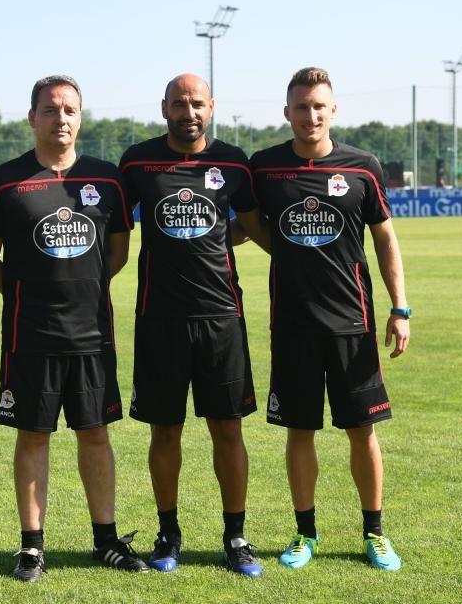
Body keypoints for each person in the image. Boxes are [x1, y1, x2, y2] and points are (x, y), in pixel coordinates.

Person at [0, 75, 147, 582]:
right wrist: (32, 292)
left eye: (70, 110)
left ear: (81, 117)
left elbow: (117, 252)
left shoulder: (107, 180)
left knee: (96, 435)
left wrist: (82, 285)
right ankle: (31, 547)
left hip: (93, 334)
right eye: (50, 110)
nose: (61, 119)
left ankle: (106, 541)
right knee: (33, 436)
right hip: (31, 335)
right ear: (33, 118)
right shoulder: (6, 181)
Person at [248, 67, 410, 571]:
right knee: (300, 430)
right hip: (293, 324)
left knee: (363, 430)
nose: (310, 115)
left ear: (333, 110)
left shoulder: (362, 167)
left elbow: (385, 238)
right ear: (287, 113)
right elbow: (249, 225)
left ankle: (375, 533)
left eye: (319, 106)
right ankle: (305, 533)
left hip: (352, 323)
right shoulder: (266, 168)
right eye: (301, 107)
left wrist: (399, 308)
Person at [118, 73, 268, 577]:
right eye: (180, 104)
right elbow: (115, 226)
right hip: (158, 319)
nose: (189, 112)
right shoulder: (137, 162)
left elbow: (248, 224)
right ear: (164, 108)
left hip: (222, 316)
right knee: (166, 431)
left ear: (212, 107)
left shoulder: (233, 163)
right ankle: (168, 532)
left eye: (197, 104)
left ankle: (236, 535)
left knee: (228, 430)